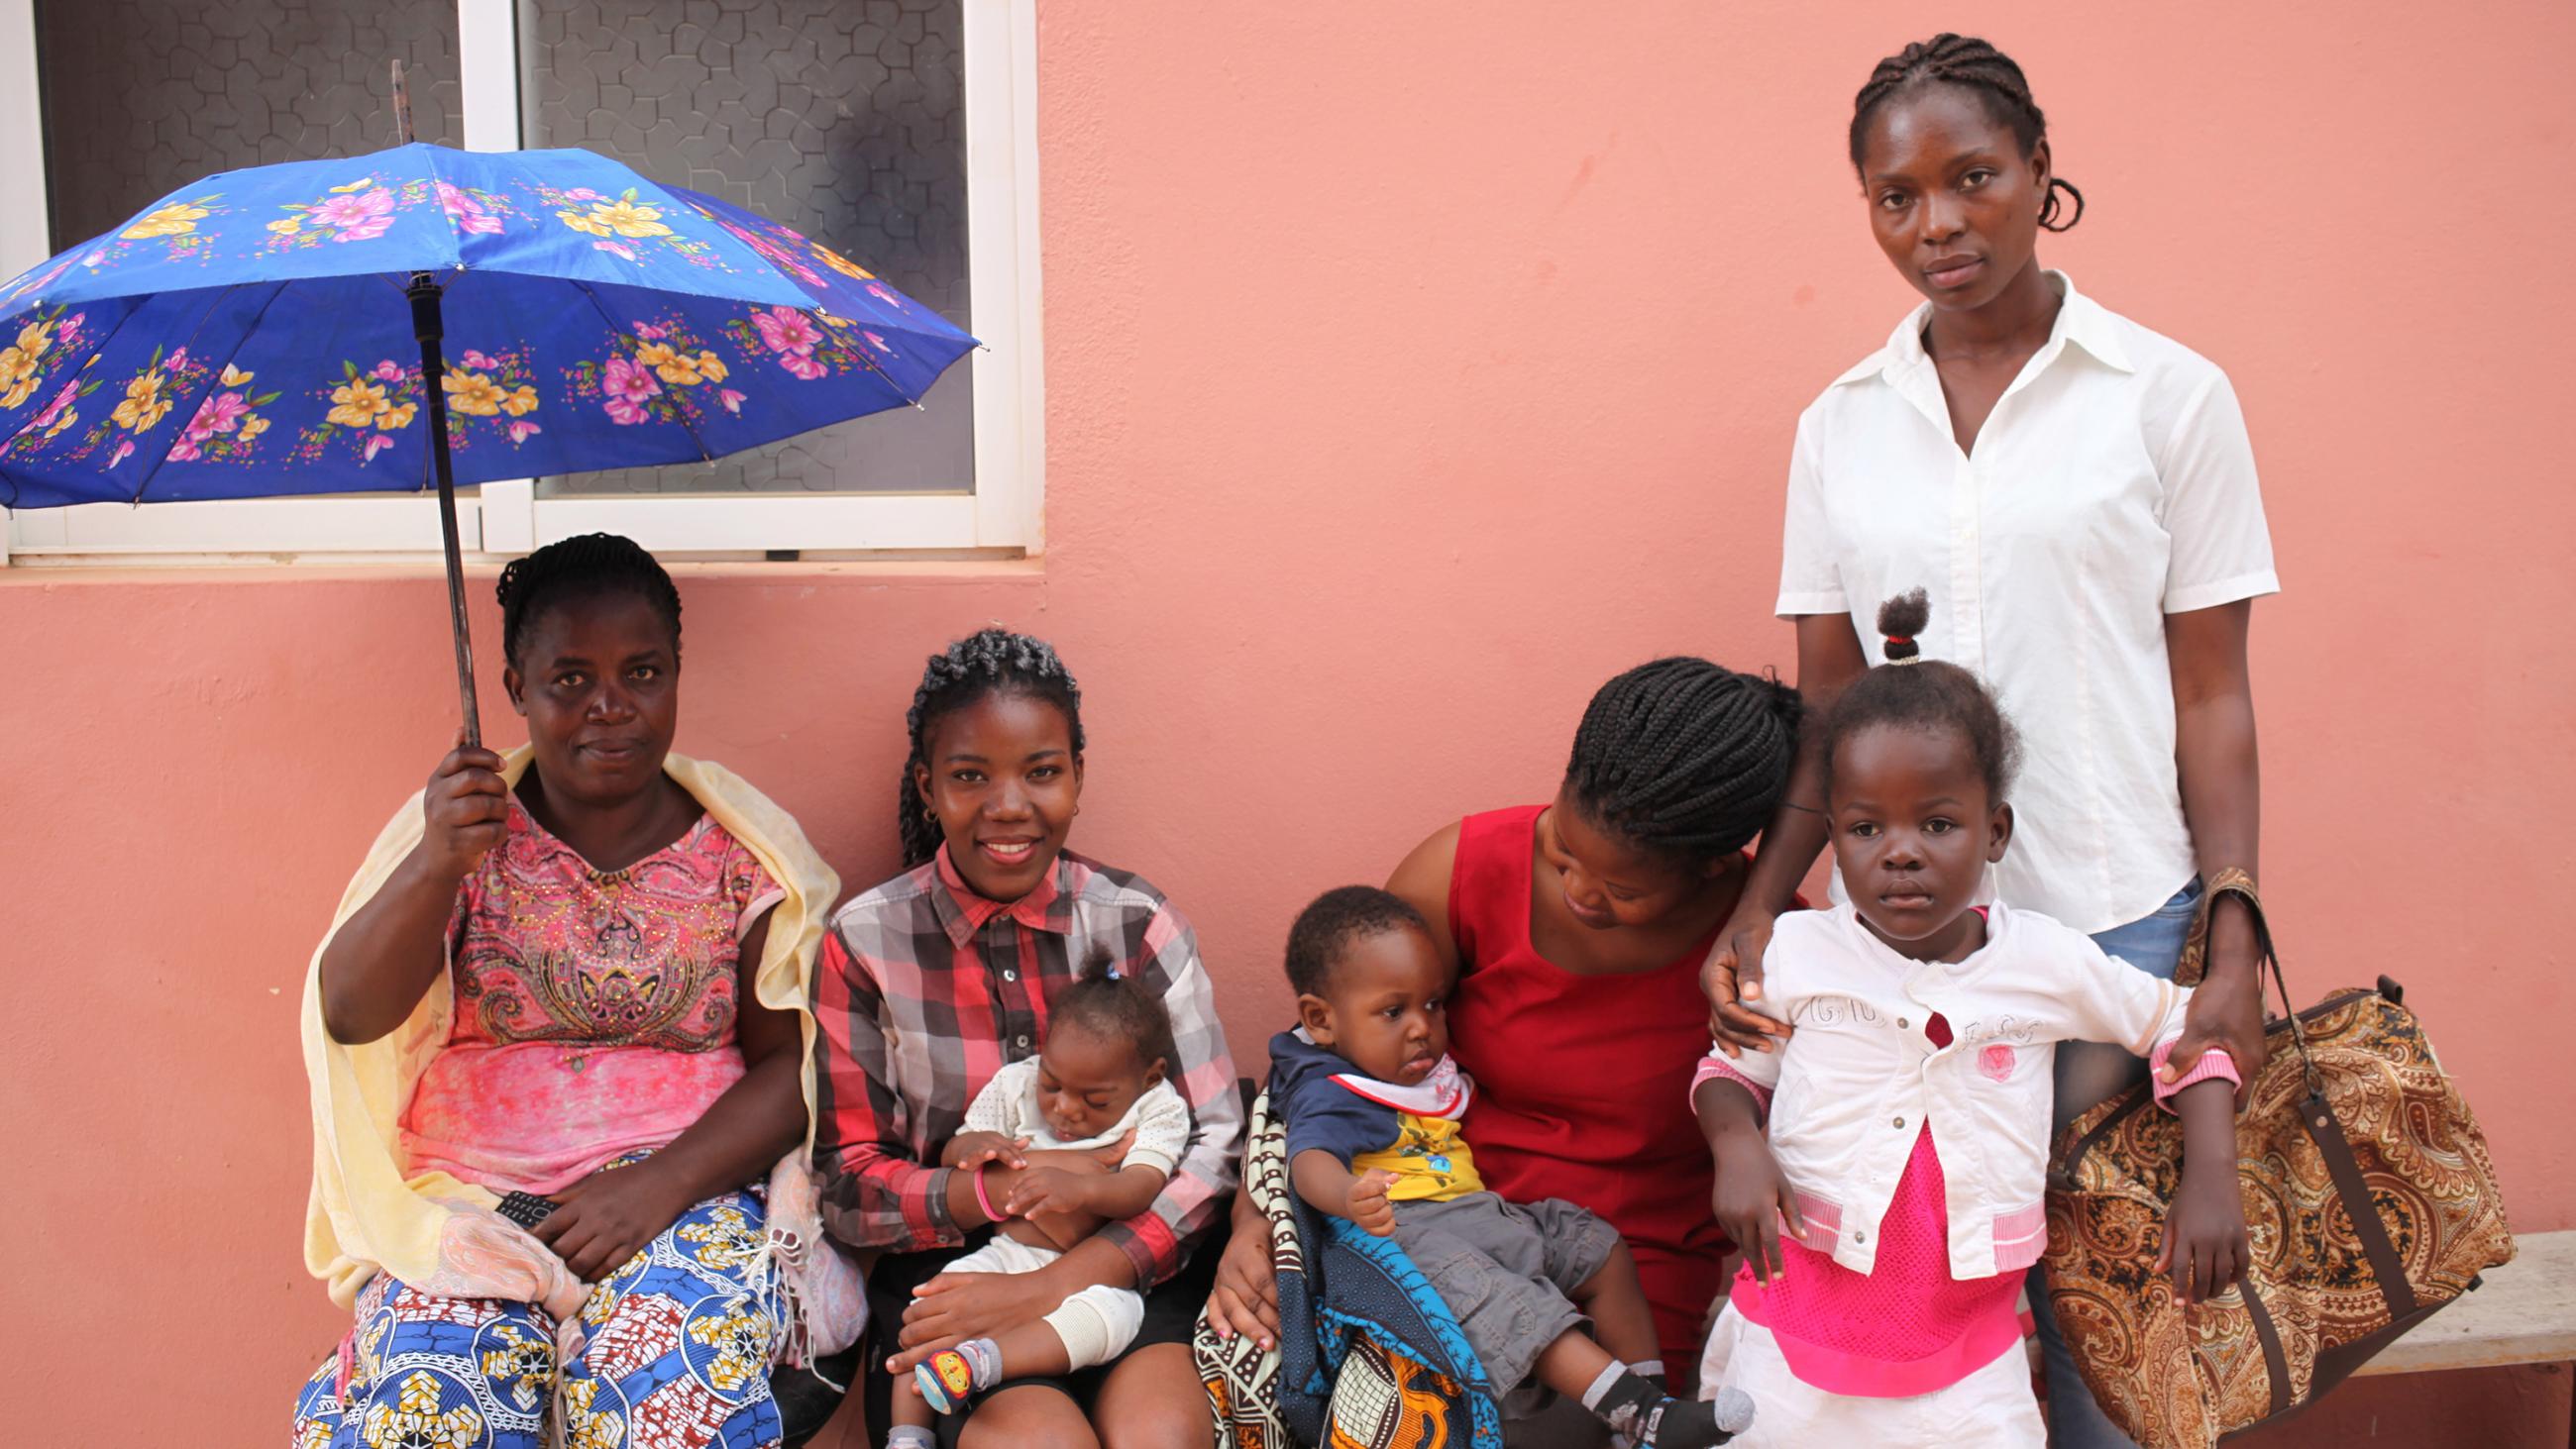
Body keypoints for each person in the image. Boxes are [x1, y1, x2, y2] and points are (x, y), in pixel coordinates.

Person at [1702, 34, 2278, 1444]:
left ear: (2041, 173)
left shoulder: (2167, 396)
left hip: (2113, 911)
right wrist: (1763, 899)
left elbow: (2214, 692)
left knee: (2096, 1316)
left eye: (1972, 178)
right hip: (1889, 950)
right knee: (1914, 1285)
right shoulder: (1839, 426)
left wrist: (2234, 922)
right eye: (1897, 197)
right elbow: (1825, 714)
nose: (1938, 222)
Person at [291, 533, 850, 1449]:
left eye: (642, 672)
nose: (609, 707)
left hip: (685, 1194)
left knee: (666, 1390)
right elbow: (349, 1012)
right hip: (470, 1201)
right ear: (514, 688)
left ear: (677, 674)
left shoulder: (743, 853)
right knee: (429, 1406)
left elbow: (792, 1066)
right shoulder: (462, 839)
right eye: (569, 680)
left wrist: (657, 1185)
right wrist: (437, 861)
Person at [1692, 592, 2247, 1446]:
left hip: (1969, 1367)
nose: (1901, 851)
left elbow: (2188, 1033)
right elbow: (1731, 1068)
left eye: (1938, 823)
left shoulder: (2046, 963)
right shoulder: (1799, 953)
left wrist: (2213, 1177)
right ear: (1834, 837)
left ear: (1996, 832)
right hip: (1796, 1340)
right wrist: (1737, 1145)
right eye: (1867, 827)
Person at [1206, 656, 1799, 1441]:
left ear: (1716, 869)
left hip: (1631, 1269)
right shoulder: (1462, 873)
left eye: (1620, 891)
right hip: (1439, 1233)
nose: (1579, 891)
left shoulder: (1768, 949)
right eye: (1561, 851)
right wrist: (1262, 1222)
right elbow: (1329, 1070)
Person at [811, 628, 1241, 1449]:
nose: (1009, 805)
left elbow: (1216, 1144)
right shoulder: (866, 941)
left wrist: (1071, 1272)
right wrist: (998, 1194)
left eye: (1041, 771)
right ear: (927, 785)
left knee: (1163, 1436)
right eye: (970, 775)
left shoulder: (1137, 925)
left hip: (1133, 1264)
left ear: (1078, 777)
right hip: (960, 1281)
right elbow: (846, 1181)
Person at [1268, 886, 1747, 1448]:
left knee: (1596, 1245)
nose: (1422, 1027)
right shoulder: (1335, 1089)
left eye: (1433, 1004)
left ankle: (1645, 1411)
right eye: (1394, 1012)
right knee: (1511, 1304)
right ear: (1321, 1020)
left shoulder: (1409, 1068)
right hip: (1399, 1241)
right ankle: (1645, 1416)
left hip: (1480, 1218)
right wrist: (1349, 1194)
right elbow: (1308, 1160)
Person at [898, 973, 1194, 1439]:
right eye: (1052, 1085)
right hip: (1009, 1255)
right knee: (931, 1307)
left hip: (1093, 1269)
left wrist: (1083, 1190)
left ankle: (983, 1362)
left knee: (1112, 1318)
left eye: (1094, 1100)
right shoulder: (1015, 1084)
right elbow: (955, 1152)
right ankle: (908, 1434)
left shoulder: (1157, 1108)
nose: (1065, 1109)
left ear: (1149, 1076)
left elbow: (1140, 1185)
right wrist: (974, 1148)